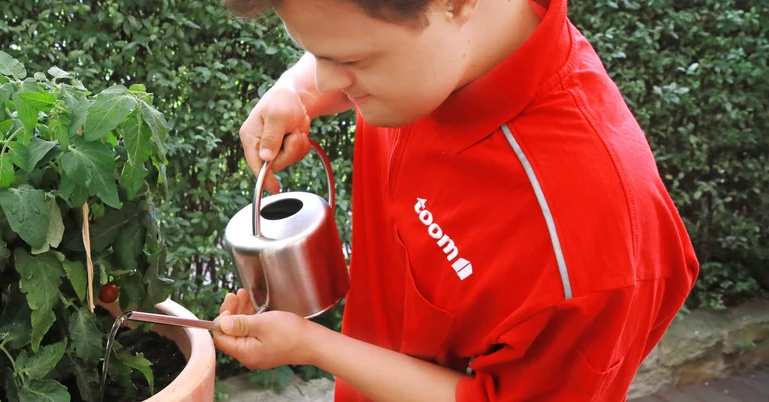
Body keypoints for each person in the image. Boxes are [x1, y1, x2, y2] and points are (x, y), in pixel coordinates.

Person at [212, 0, 701, 400]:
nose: (323, 82)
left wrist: (311, 345)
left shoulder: (590, 244)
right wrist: (291, 89)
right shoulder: (428, 58)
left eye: (350, 61)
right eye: (311, 52)